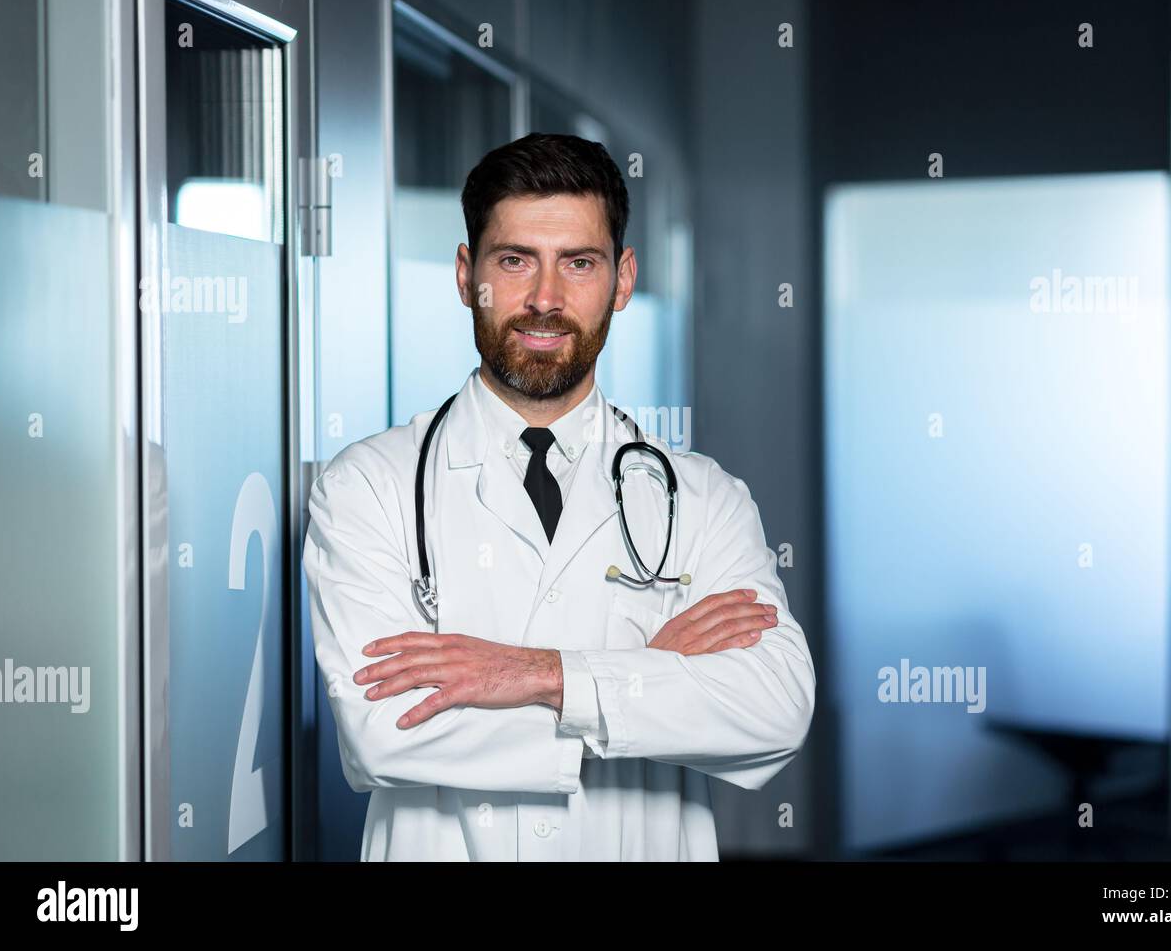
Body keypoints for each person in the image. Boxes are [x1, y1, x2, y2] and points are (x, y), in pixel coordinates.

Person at [303, 132, 815, 861]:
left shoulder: (705, 498)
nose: (545, 299)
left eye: (579, 263)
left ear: (623, 278)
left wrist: (536, 676)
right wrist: (651, 675)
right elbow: (383, 733)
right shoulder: (368, 487)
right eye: (515, 261)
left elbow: (773, 710)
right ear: (464, 274)